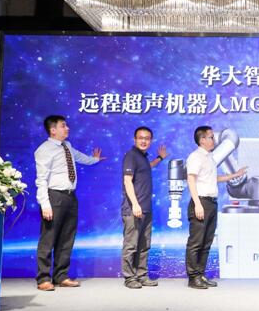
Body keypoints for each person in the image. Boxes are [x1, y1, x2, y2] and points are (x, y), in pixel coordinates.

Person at [34, 115, 104, 291]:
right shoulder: (44, 149)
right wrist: (45, 204)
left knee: (67, 238)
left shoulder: (67, 146)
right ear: (53, 130)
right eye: (63, 126)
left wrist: (94, 159)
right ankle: (43, 278)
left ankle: (61, 275)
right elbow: (41, 179)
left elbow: (79, 157)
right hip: (54, 196)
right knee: (48, 238)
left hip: (70, 196)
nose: (67, 128)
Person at [185, 126, 247, 289]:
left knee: (207, 242)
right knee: (196, 242)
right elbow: (191, 180)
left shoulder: (210, 158)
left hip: (211, 203)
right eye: (211, 137)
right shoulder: (195, 157)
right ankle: (193, 278)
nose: (214, 140)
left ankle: (201, 275)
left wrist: (235, 175)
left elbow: (212, 178)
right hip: (201, 202)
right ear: (202, 140)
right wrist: (197, 204)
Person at [121, 126, 168, 289]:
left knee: (144, 245)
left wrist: (160, 158)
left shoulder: (142, 157)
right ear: (135, 139)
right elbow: (127, 181)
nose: (144, 141)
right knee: (131, 245)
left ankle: (141, 275)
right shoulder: (131, 156)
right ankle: (129, 278)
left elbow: (148, 166)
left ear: (151, 141)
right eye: (141, 138)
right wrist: (135, 204)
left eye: (147, 138)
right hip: (133, 209)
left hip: (146, 209)